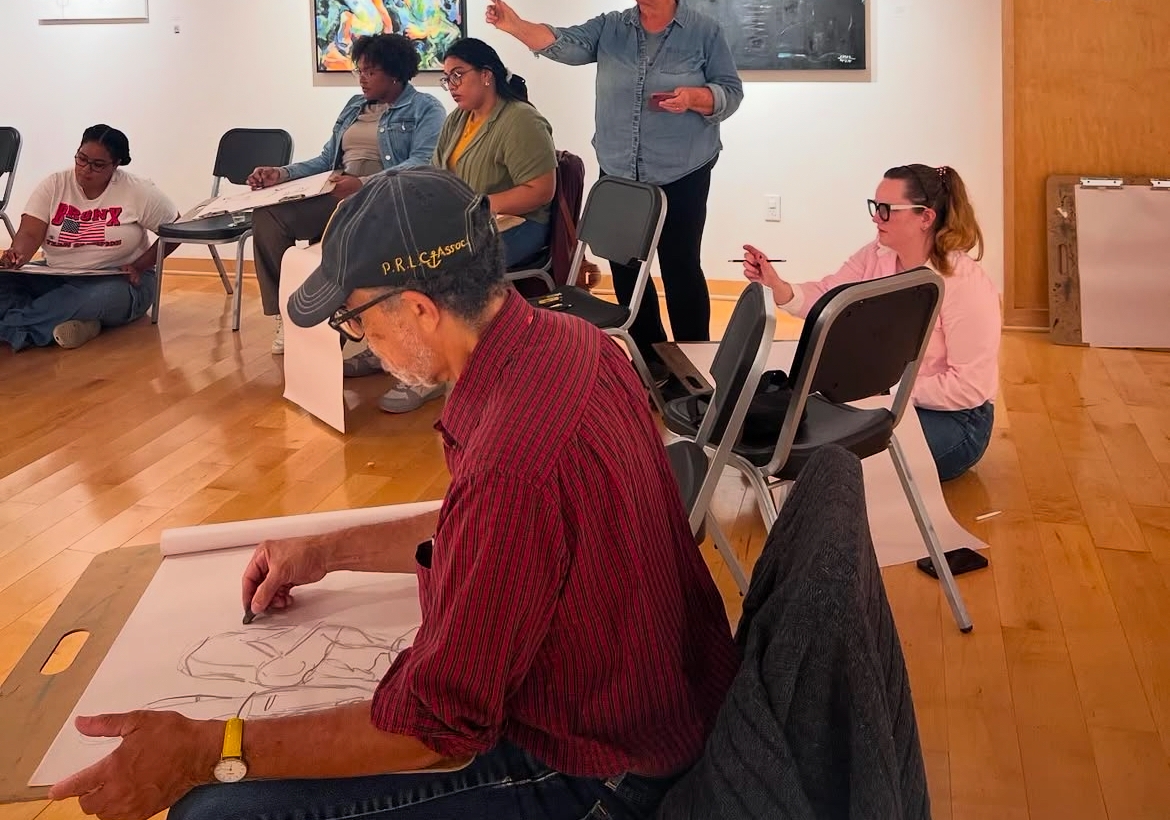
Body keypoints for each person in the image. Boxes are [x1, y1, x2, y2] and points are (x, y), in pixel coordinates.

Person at [48, 170, 739, 820]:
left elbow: (435, 732)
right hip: (665, 702)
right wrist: (327, 550)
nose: (361, 340)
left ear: (416, 308)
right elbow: (492, 533)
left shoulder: (511, 462)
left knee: (216, 807)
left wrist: (209, 747)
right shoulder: (576, 344)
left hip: (598, 770)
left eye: (353, 320)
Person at [485, 0, 743, 377]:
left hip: (682, 170)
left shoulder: (704, 31)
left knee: (680, 267)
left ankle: (695, 367)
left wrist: (696, 97)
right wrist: (516, 25)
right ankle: (651, 364)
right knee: (625, 270)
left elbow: (731, 93)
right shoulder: (612, 27)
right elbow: (563, 42)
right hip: (621, 171)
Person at [743, 163, 1001, 482]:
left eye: (886, 209)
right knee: (798, 447)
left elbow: (970, 387)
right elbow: (829, 297)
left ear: (925, 217)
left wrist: (887, 389)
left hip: (956, 420)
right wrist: (778, 287)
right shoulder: (876, 255)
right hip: (885, 396)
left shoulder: (964, 285)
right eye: (875, 207)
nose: (875, 217)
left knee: (840, 465)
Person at [344, 37, 557, 415]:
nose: (453, 85)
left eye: (459, 75)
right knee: (394, 255)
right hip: (469, 224)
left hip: (519, 227)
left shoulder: (521, 120)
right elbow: (440, 173)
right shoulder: (460, 119)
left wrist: (482, 206)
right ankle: (391, 348)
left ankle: (431, 372)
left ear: (487, 75)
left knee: (438, 270)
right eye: (447, 79)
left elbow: (541, 191)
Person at [247, 33, 444, 360]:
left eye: (370, 72)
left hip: (386, 198)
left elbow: (421, 163)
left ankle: (338, 309)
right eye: (360, 71)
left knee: (344, 210)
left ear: (394, 73)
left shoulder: (425, 108)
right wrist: (281, 173)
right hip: (340, 192)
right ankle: (287, 312)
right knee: (268, 216)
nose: (362, 79)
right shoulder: (354, 107)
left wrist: (364, 183)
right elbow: (326, 161)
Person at [0, 124, 178, 352]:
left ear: (116, 165)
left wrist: (140, 265)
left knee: (97, 297)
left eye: (97, 165)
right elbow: (30, 233)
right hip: (56, 274)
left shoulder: (137, 190)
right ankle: (75, 323)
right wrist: (18, 254)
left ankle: (13, 326)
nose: (85, 169)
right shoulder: (54, 184)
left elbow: (175, 229)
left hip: (119, 280)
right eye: (81, 159)